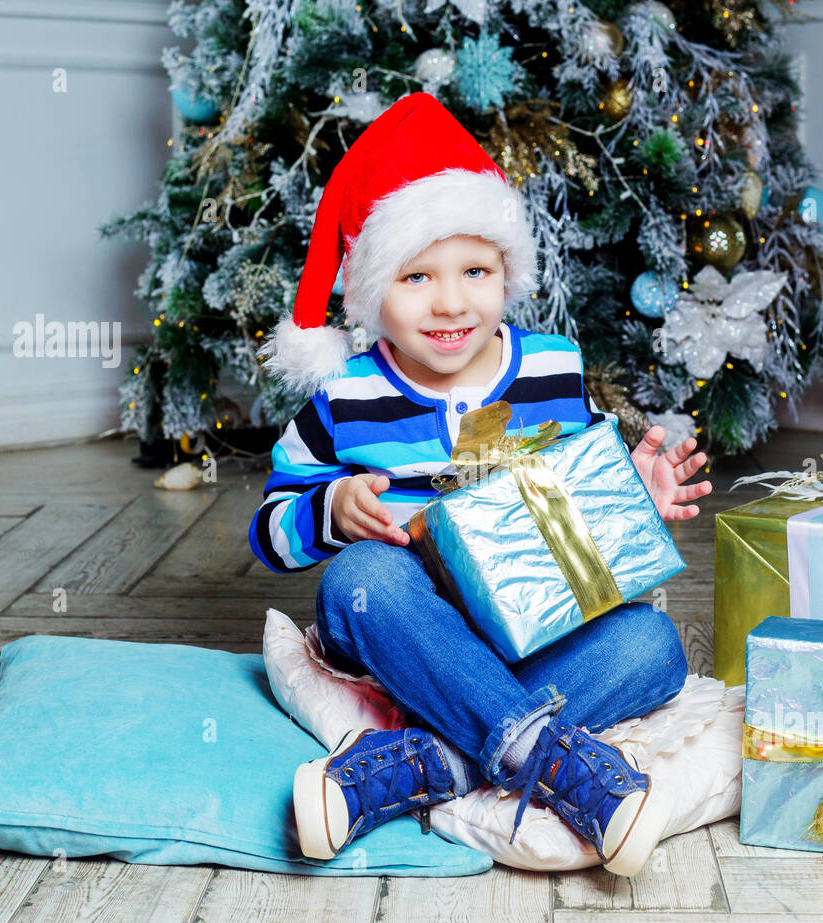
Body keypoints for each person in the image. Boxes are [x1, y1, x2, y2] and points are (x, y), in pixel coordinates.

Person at [250, 92, 712, 877]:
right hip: (399, 635)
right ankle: (556, 763)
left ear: (507, 271)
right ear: (370, 294)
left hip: (527, 632)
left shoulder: (551, 369)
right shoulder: (347, 398)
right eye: (417, 276)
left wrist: (639, 491)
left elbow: (586, 505)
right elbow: (270, 528)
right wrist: (331, 508)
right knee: (363, 578)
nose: (451, 300)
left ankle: (425, 764)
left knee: (653, 643)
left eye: (475, 270)